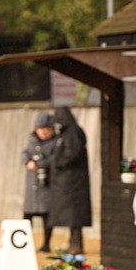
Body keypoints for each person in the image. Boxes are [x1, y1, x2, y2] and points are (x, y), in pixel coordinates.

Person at [49, 107, 92, 253]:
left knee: (74, 215)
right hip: (69, 180)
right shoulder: (68, 132)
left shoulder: (72, 132)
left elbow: (73, 153)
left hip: (73, 182)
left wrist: (58, 163)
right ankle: (74, 243)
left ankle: (76, 245)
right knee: (71, 215)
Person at [22, 112, 57, 251]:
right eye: (40, 128)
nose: (43, 131)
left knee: (47, 215)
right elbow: (25, 153)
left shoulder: (56, 142)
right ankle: (24, 244)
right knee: (27, 215)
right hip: (32, 185)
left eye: (46, 128)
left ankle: (46, 244)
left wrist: (40, 163)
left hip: (47, 185)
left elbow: (55, 159)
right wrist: (28, 161)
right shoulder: (32, 141)